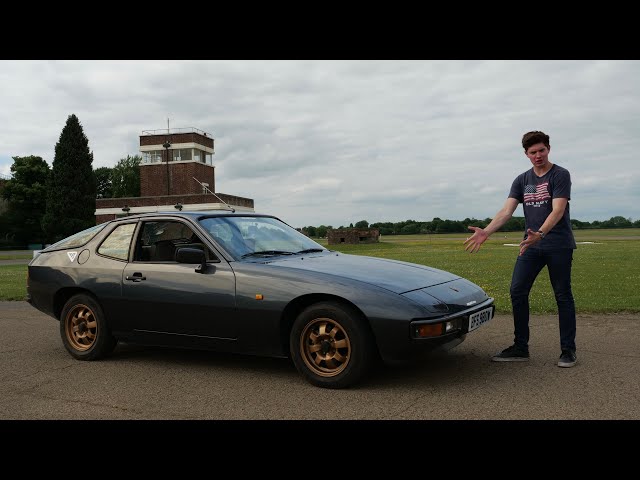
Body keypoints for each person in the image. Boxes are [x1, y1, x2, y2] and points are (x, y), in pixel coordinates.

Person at [463, 131, 577, 368]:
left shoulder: (560, 174)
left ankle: (568, 350)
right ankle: (520, 347)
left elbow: (558, 210)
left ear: (548, 149)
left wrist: (541, 234)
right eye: (533, 152)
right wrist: (486, 231)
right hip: (530, 246)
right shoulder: (522, 180)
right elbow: (506, 211)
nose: (538, 156)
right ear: (526, 154)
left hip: (558, 245)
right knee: (517, 291)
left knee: (562, 295)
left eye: (541, 150)